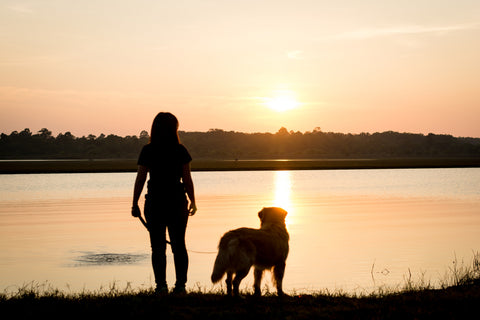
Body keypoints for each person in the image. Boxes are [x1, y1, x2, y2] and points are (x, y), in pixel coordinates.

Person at [131, 112, 197, 295]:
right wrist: (193, 201)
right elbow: (187, 180)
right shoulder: (180, 150)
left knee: (157, 247)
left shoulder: (148, 150)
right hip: (177, 202)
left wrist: (134, 203)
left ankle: (161, 286)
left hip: (155, 203)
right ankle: (181, 286)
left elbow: (141, 179)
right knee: (179, 245)